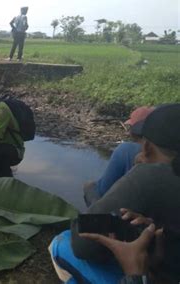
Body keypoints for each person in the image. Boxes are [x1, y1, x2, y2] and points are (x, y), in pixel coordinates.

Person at [50, 104, 180, 283]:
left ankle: (93, 194)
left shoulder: (152, 174)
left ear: (147, 147)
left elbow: (82, 242)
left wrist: (136, 275)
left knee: (61, 243)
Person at [83, 106, 155, 207]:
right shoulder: (166, 153)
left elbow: (103, 191)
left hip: (126, 213)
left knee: (89, 186)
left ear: (133, 131)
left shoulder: (126, 150)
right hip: (152, 214)